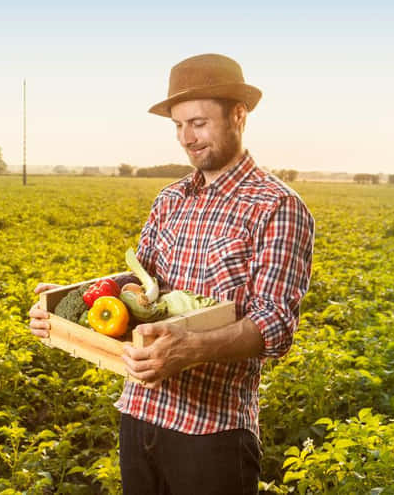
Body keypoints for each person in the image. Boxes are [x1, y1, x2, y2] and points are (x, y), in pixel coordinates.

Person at [29, 53, 314, 494]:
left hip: (212, 433)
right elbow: (139, 284)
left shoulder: (276, 205)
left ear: (237, 115)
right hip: (139, 415)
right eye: (179, 126)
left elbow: (275, 326)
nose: (187, 138)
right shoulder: (170, 199)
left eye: (198, 123)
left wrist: (193, 348)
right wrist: (72, 301)